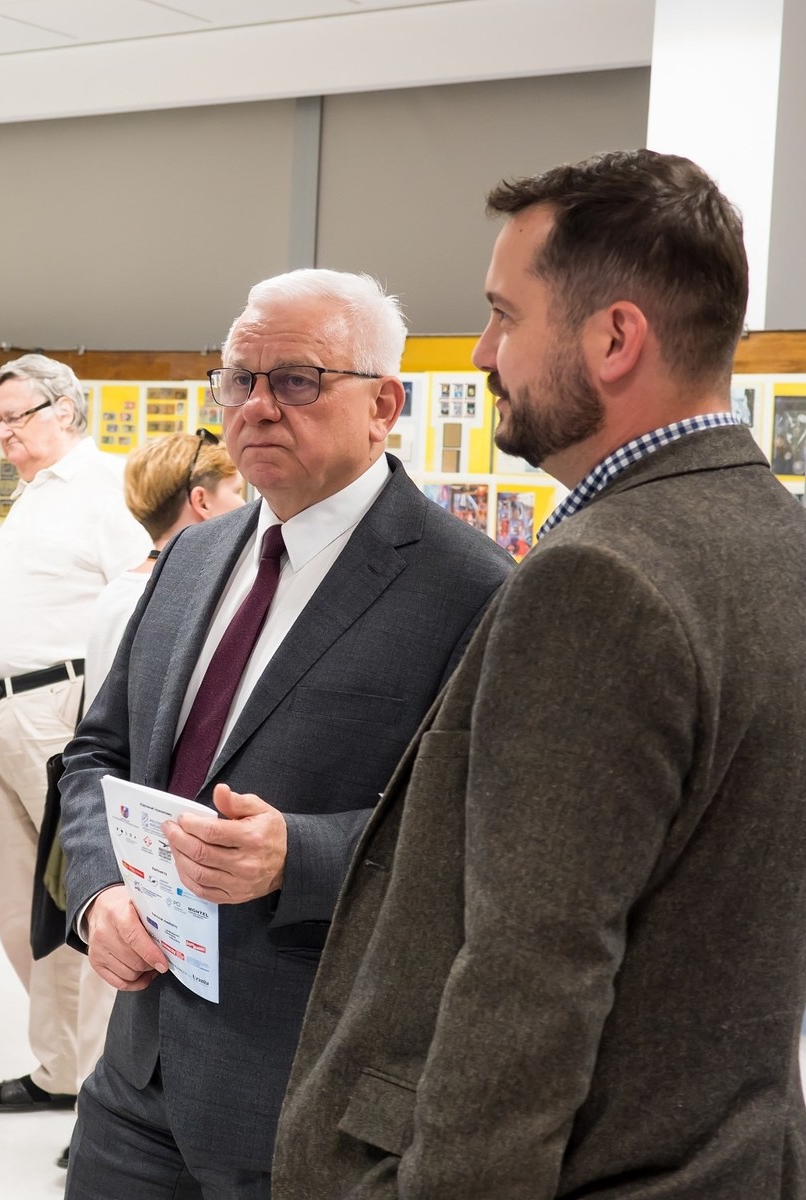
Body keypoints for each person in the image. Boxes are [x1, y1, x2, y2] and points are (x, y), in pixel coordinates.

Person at [270, 151, 806, 1199]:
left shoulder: (600, 577)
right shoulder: (774, 538)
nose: (482, 353)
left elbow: (532, 975)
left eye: (504, 316)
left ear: (614, 338)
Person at [56, 269, 514, 1199]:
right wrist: (99, 894)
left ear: (384, 405)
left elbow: (481, 836)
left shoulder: (470, 587)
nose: (258, 407)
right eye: (239, 379)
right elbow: (97, 754)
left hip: (304, 1088)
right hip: (135, 1076)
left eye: (297, 381)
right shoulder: (192, 555)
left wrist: (296, 855)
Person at [0, 354, 151, 1128]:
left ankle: (96, 1079)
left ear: (64, 410)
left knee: (79, 896)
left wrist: (106, 718)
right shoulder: (28, 499)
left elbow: (141, 598)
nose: (3, 434)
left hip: (55, 709)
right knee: (21, 913)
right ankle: (61, 1067)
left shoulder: (104, 487)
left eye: (16, 417)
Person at [84, 429, 245, 702]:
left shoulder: (115, 593)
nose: (245, 505)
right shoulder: (187, 600)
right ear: (202, 501)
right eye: (237, 491)